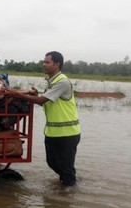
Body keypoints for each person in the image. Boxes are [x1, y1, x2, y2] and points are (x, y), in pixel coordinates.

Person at [6, 51, 81, 186]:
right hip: (53, 132)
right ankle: (67, 186)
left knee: (65, 168)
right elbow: (46, 101)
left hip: (68, 133)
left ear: (57, 65)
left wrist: (15, 94)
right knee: (52, 162)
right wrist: (37, 94)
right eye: (44, 62)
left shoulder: (62, 82)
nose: (43, 65)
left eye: (47, 62)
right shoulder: (52, 81)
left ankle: (69, 191)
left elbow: (41, 101)